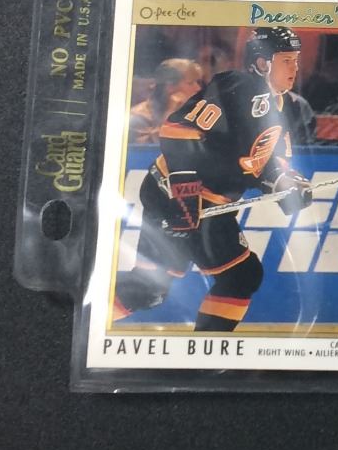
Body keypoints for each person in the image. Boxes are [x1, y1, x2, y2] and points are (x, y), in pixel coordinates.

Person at [113, 27, 316, 332]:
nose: (295, 68)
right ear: (263, 63)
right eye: (287, 60)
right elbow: (178, 130)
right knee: (241, 276)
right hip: (177, 194)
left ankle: (89, 319)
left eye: (296, 60)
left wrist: (284, 183)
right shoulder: (237, 86)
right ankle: (207, 349)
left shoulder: (286, 106)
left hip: (204, 202)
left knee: (147, 290)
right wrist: (183, 191)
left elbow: (267, 162)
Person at [129, 59, 203, 144]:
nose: (198, 88)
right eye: (190, 83)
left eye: (198, 82)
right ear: (170, 87)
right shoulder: (138, 118)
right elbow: (151, 148)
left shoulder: (194, 113)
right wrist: (170, 112)